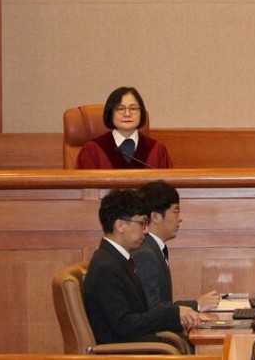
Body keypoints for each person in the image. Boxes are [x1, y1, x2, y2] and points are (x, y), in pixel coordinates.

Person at [82, 189, 193, 348]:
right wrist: (172, 315)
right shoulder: (106, 266)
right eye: (142, 223)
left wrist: (176, 314)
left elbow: (139, 314)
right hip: (125, 352)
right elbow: (124, 324)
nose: (146, 230)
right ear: (120, 225)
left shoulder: (116, 259)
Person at [133, 181, 220, 319]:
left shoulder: (153, 248)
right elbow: (153, 310)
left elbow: (162, 306)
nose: (179, 219)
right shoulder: (145, 253)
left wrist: (195, 306)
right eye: (175, 212)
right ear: (155, 216)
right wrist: (196, 306)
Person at [76, 87, 173, 169]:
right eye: (120, 109)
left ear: (141, 113)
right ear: (110, 113)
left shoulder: (158, 151)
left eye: (133, 108)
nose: (127, 114)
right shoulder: (92, 151)